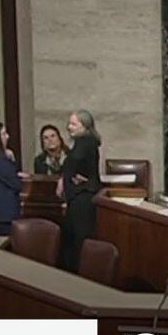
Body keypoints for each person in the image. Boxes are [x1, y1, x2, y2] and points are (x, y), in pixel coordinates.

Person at [59, 109, 102, 271]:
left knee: (79, 240)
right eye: (69, 123)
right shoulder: (82, 142)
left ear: (85, 126)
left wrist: (70, 174)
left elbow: (75, 161)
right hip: (78, 196)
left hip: (83, 197)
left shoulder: (86, 141)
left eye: (73, 124)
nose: (69, 127)